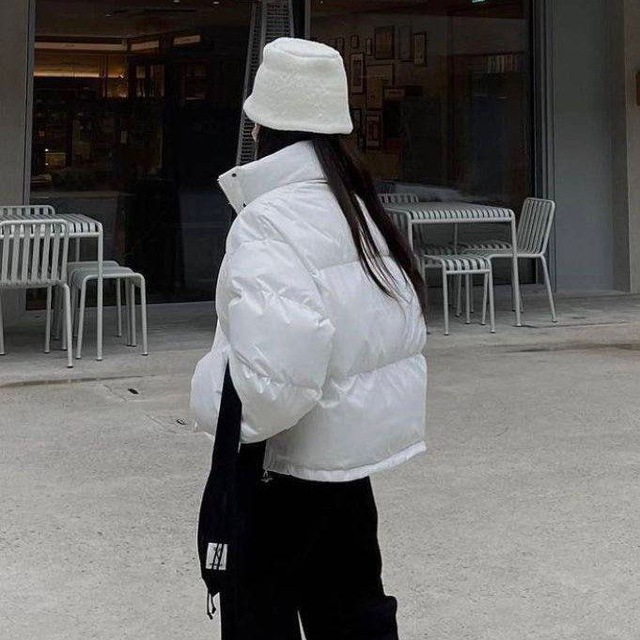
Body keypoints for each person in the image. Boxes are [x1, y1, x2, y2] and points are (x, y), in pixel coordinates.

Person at [191, 37, 428, 640]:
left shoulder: (269, 220)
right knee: (353, 611)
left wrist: (207, 390)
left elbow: (271, 384)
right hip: (346, 464)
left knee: (260, 617)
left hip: (282, 470)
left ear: (261, 126)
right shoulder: (358, 209)